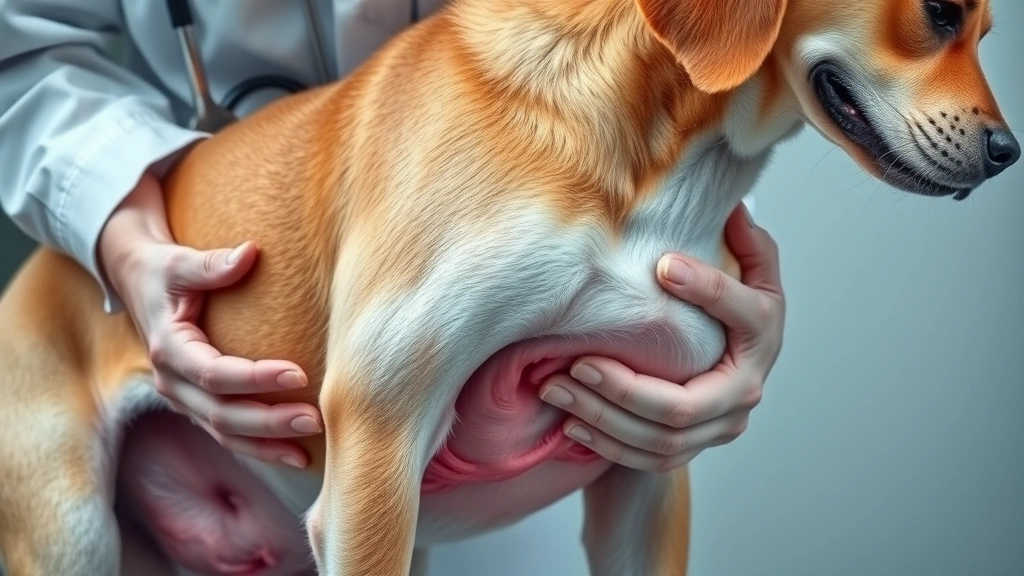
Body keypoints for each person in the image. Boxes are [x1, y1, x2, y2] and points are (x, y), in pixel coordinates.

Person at [0, 1, 785, 473]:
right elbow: (22, 51)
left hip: (475, 471)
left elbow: (695, 45)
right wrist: (124, 235)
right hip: (150, 344)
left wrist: (706, 296)